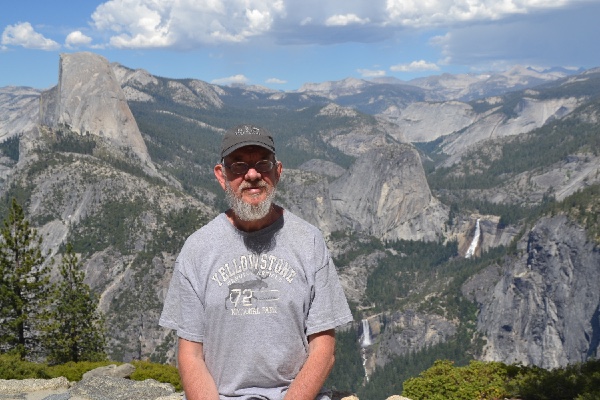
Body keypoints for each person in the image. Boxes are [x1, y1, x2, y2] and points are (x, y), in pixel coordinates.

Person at [159, 123, 354, 400]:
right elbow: (190, 354)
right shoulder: (197, 249)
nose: (252, 175)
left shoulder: (309, 241)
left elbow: (323, 348)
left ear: (278, 172)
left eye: (262, 163)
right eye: (238, 166)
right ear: (221, 176)